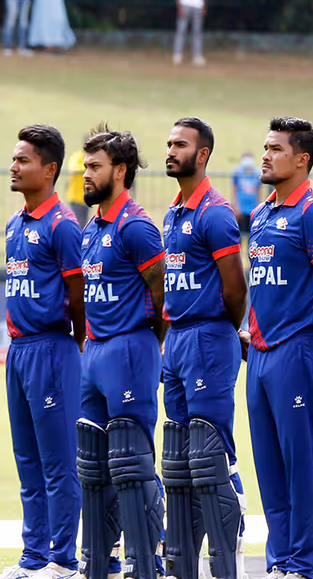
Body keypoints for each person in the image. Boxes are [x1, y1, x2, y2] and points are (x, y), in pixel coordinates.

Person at [240, 117, 313, 579]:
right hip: (259, 354)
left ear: (301, 159)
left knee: (300, 461)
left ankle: (301, 564)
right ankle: (278, 561)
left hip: (299, 348)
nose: (265, 155)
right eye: (265, 147)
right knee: (267, 464)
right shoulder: (262, 212)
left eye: (275, 149)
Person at [160, 117, 249, 579]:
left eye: (181, 144)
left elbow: (236, 289)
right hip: (176, 339)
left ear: (203, 154)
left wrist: (221, 332)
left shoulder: (215, 212)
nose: (172, 150)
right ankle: (183, 565)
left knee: (210, 454)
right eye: (170, 143)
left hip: (208, 336)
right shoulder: (173, 212)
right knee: (178, 460)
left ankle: (228, 554)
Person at [76, 126, 166, 579]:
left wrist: (147, 344)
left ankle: (146, 564)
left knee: (131, 465)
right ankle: (97, 564)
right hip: (93, 353)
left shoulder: (137, 228)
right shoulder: (92, 225)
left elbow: (163, 296)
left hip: (129, 350)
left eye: (94, 167)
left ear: (120, 169)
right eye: (85, 166)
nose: (85, 174)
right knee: (92, 468)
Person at [4, 125, 85, 579]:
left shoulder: (62, 225)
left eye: (23, 160)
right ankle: (33, 557)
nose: (13, 168)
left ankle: (62, 560)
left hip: (52, 350)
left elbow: (78, 297)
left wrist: (66, 346)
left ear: (49, 169)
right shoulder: (16, 224)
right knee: (27, 461)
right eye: (14, 160)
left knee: (58, 462)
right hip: (17, 352)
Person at [232, 152, 260, 240]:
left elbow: (259, 191)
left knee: (251, 237)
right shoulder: (238, 173)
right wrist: (235, 207)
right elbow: (234, 190)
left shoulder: (257, 174)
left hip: (252, 210)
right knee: (239, 236)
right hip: (241, 210)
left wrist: (258, 207)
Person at [64, 143, 87, 226]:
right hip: (75, 198)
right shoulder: (77, 157)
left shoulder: (90, 157)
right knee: (77, 224)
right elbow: (73, 167)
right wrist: (88, 167)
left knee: (84, 224)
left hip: (86, 199)